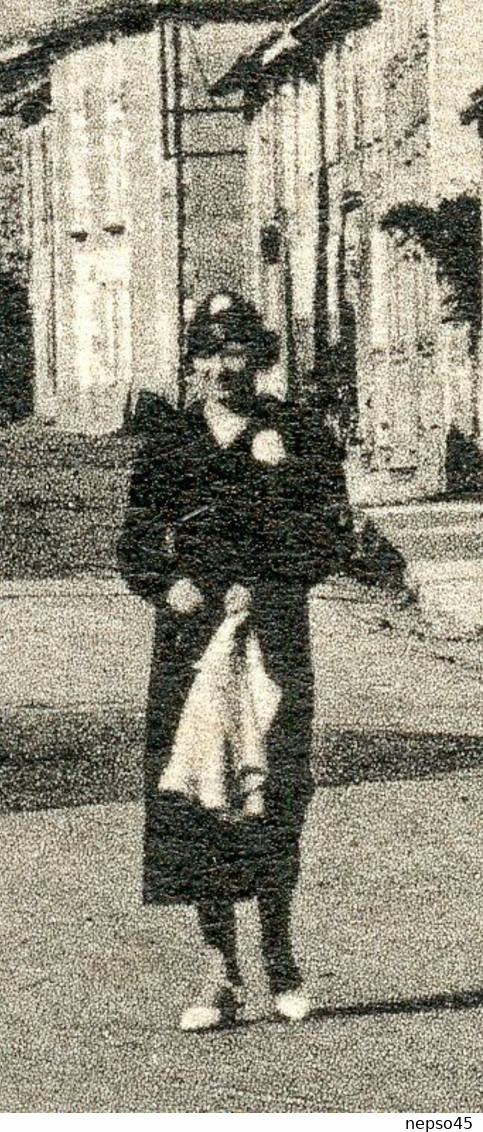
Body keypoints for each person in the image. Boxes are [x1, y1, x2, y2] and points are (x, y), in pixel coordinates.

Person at [117, 292, 351, 1031]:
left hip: (272, 637)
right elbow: (133, 544)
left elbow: (329, 536)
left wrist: (270, 579)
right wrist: (167, 582)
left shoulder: (297, 434)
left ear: (260, 358)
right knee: (197, 799)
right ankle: (219, 973)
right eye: (207, 355)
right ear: (190, 365)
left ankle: (280, 958)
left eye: (235, 352)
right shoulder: (167, 442)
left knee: (271, 790)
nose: (221, 368)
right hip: (189, 645)